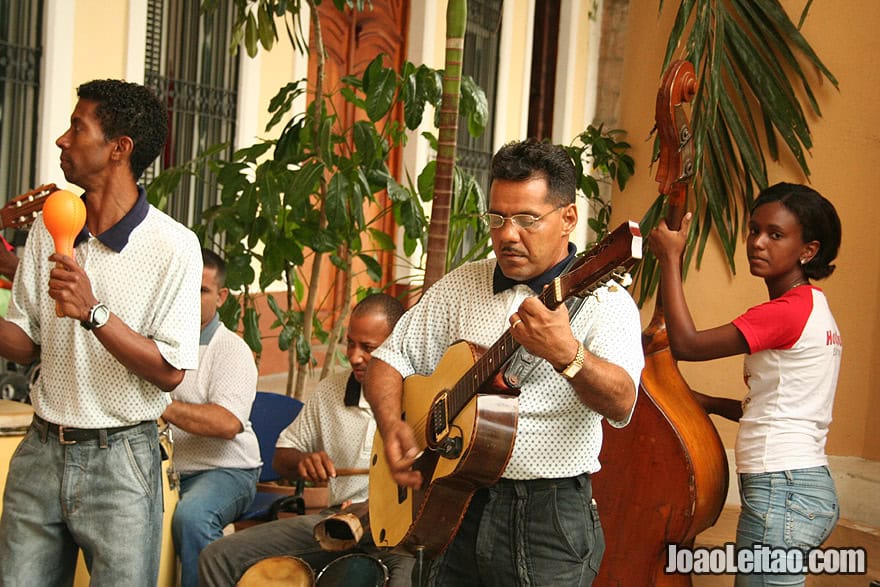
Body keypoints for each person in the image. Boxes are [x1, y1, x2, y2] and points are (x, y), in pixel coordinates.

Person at [364, 139, 645, 585]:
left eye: (527, 219)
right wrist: (391, 423)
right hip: (452, 500)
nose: (507, 234)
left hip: (545, 517)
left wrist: (567, 355)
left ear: (568, 218)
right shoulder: (463, 283)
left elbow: (622, 403)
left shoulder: (606, 303)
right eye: (497, 218)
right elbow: (389, 357)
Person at [0, 79, 202, 585]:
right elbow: (26, 343)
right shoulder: (51, 226)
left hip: (122, 463)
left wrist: (95, 312)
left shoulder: (174, 246)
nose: (62, 141)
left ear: (119, 148)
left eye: (77, 127)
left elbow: (171, 371)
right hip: (41, 447)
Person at [648, 182, 843, 586]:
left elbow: (685, 344)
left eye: (775, 235)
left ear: (808, 250)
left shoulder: (786, 312)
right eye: (754, 230)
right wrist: (703, 403)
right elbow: (781, 408)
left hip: (783, 491)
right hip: (798, 486)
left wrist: (671, 257)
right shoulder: (814, 306)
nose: (757, 242)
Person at [199, 292, 416, 586]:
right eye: (350, 343)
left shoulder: (421, 395)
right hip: (333, 524)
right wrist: (303, 461)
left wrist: (374, 509)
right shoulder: (331, 390)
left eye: (369, 348)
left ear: (395, 346)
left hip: (400, 535)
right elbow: (283, 455)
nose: (354, 356)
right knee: (219, 555)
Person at [161, 248, 262, 587]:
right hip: (168, 470)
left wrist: (161, 406)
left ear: (221, 297)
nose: (190, 297)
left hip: (226, 470)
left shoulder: (231, 349)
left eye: (201, 290)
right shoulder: (156, 343)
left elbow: (227, 423)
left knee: (192, 517)